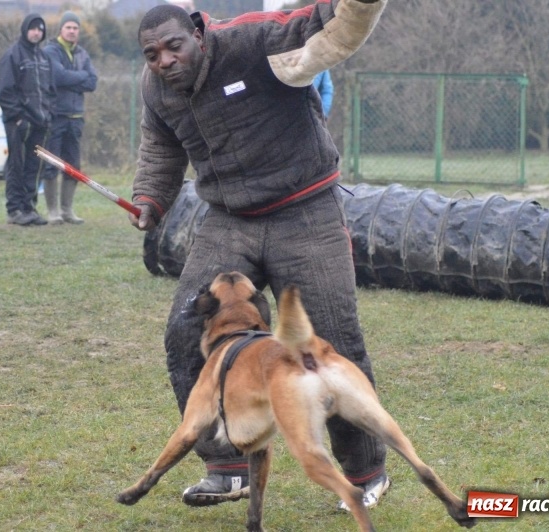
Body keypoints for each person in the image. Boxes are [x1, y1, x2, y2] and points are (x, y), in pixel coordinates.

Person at [130, 0, 389, 512]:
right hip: (229, 219)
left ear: (197, 34)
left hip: (306, 209)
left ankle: (365, 474)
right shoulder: (155, 88)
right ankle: (226, 467)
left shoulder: (253, 41)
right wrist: (149, 199)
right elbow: (160, 146)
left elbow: (321, 25)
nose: (164, 61)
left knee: (332, 343)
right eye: (152, 54)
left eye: (173, 47)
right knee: (185, 330)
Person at [0, 14, 56, 226]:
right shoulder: (12, 56)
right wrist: (17, 117)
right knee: (16, 166)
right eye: (33, 29)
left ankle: (29, 207)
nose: (36, 33)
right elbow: (5, 92)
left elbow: (51, 90)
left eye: (40, 29)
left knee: (35, 167)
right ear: (25, 30)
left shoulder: (44, 58)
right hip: (19, 123)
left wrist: (49, 114)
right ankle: (14, 209)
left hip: (41, 122)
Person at [41, 11, 98, 225]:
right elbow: (58, 77)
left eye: (75, 28)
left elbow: (92, 82)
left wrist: (73, 79)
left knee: (73, 165)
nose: (72, 31)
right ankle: (53, 211)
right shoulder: (50, 51)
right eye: (69, 27)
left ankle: (67, 210)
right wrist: (80, 77)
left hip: (76, 117)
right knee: (51, 164)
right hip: (56, 116)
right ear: (61, 29)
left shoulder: (83, 53)